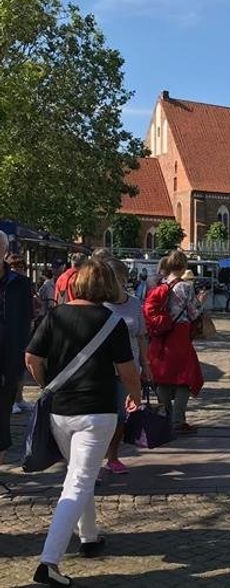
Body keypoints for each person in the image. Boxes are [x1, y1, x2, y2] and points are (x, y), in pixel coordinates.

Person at [25, 258, 141, 586]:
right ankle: (49, 562)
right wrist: (134, 395)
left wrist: (46, 383)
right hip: (97, 410)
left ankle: (89, 536)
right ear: (106, 285)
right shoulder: (112, 321)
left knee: (78, 473)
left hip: (61, 410)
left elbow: (31, 357)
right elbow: (127, 370)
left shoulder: (54, 316)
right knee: (77, 481)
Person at [147, 250, 206, 434]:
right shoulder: (185, 287)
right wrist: (201, 301)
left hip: (160, 334)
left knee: (163, 377)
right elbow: (194, 312)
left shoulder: (158, 284)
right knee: (185, 378)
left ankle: (166, 417)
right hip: (179, 334)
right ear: (183, 266)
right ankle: (178, 420)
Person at [103, 258, 153, 474]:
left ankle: (113, 456)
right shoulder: (99, 304)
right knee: (102, 415)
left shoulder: (133, 303)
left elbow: (141, 336)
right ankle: (95, 456)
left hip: (128, 368)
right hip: (102, 368)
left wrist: (146, 364)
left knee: (122, 415)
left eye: (119, 280)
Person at [0, 232, 32, 464]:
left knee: (3, 416)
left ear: (3, 251)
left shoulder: (21, 283)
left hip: (9, 358)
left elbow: (25, 319)